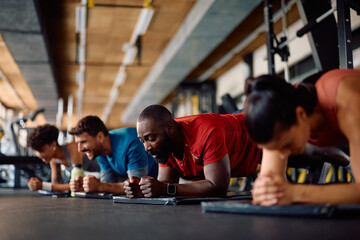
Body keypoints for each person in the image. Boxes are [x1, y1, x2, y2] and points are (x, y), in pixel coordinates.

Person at [244, 69, 360, 205]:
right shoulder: (278, 119)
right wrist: (264, 191)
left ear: (301, 114)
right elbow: (272, 189)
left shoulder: (347, 101)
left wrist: (294, 193)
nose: (283, 155)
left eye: (286, 145)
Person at [124, 104, 262, 198]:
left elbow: (218, 188)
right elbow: (165, 182)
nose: (146, 147)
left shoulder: (206, 131)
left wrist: (166, 189)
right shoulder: (165, 144)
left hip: (259, 130)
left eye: (151, 138)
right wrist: (143, 190)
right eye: (143, 141)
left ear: (170, 129)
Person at [68, 115, 158, 195]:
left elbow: (136, 187)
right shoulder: (99, 152)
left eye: (83, 142)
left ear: (100, 137)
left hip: (158, 191)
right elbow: (107, 184)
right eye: (78, 143)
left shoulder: (131, 141)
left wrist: (99, 186)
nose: (80, 149)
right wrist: (85, 186)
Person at [27, 124, 98, 192]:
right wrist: (37, 185)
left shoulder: (73, 148)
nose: (39, 155)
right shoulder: (53, 160)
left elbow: (77, 186)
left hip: (106, 171)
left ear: (53, 145)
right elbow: (57, 185)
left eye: (41, 150)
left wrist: (43, 186)